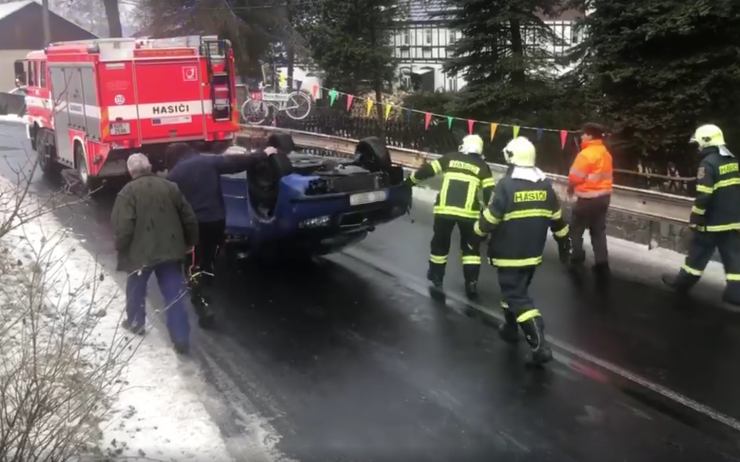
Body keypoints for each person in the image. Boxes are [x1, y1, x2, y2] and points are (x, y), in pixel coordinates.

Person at [474, 137, 571, 365]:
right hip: (532, 255)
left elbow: (491, 217)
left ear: (511, 158)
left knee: (517, 297)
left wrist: (476, 233)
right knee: (515, 291)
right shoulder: (545, 185)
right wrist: (564, 243)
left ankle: (539, 346)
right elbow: (557, 219)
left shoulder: (506, 185)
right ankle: (510, 328)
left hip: (509, 254)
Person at [166, 142, 277, 327]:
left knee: (192, 265)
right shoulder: (208, 162)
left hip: (193, 227)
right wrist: (263, 153)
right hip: (216, 223)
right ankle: (207, 282)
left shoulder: (172, 176)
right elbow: (238, 163)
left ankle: (202, 303)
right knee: (209, 259)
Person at [111, 153, 199, 354]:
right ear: (149, 166)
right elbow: (189, 218)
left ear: (130, 171)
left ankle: (135, 322)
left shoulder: (127, 193)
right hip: (171, 251)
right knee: (173, 293)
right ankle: (181, 338)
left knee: (136, 288)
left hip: (141, 255)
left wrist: (121, 247)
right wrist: (190, 242)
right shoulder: (170, 187)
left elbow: (123, 228)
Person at [406, 134, 495, 298]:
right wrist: (489, 215)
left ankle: (436, 276)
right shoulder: (483, 167)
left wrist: (409, 182)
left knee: (440, 245)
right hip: (469, 215)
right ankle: (471, 283)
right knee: (471, 250)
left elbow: (427, 170)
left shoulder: (450, 158)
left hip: (444, 212)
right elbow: (490, 193)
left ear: (464, 145)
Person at [662, 124, 740, 305]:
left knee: (697, 254)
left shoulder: (708, 163)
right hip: (734, 221)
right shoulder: (732, 160)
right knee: (734, 257)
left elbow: (704, 194)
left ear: (706, 141)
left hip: (712, 221)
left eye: (699, 143)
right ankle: (735, 295)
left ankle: (681, 284)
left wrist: (696, 218)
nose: (698, 147)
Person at [567, 122, 613, 277]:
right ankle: (602, 264)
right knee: (598, 231)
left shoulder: (585, 154)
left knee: (576, 229)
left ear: (590, 136)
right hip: (604, 198)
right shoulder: (605, 153)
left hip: (587, 199)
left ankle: (577, 260)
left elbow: (574, 177)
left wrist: (570, 188)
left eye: (583, 133)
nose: (581, 136)